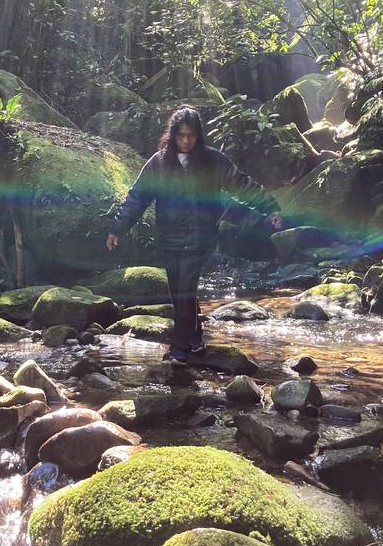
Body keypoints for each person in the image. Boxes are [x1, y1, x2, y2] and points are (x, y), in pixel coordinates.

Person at [106, 105, 283, 362]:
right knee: (177, 292)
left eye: (191, 135)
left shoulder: (213, 161)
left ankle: (179, 348)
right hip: (169, 238)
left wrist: (270, 207)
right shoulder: (158, 163)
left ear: (198, 135)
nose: (186, 141)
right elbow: (138, 197)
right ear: (173, 135)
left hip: (201, 238)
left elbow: (241, 184)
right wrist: (117, 228)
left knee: (185, 289)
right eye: (181, 135)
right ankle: (196, 338)